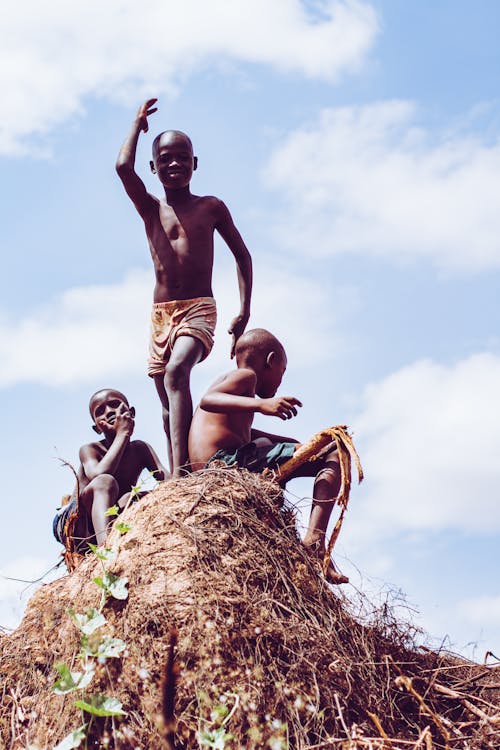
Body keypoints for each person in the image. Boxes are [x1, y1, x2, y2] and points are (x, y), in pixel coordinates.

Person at [116, 99, 253, 476]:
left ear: (195, 163)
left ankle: (183, 476)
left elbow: (243, 256)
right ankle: (181, 471)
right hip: (162, 316)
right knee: (165, 399)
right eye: (165, 159)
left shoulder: (210, 207)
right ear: (154, 166)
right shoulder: (150, 208)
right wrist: (136, 125)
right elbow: (122, 168)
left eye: (182, 158)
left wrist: (244, 310)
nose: (174, 164)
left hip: (198, 308)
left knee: (179, 372)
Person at [188, 329, 349, 584]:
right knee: (336, 452)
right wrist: (262, 405)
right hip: (226, 462)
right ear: (271, 360)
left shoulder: (237, 392)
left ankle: (290, 537)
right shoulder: (245, 377)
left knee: (285, 445)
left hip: (228, 459)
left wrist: (300, 446)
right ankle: (315, 540)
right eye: (282, 372)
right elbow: (207, 401)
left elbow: (247, 433)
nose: (280, 382)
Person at [53, 389, 167, 552]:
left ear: (131, 412)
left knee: (131, 497)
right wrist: (123, 434)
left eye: (114, 404)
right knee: (106, 482)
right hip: (77, 523)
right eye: (100, 411)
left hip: (110, 512)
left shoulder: (141, 449)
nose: (109, 411)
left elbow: (170, 482)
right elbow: (99, 476)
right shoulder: (90, 450)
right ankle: (107, 552)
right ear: (97, 428)